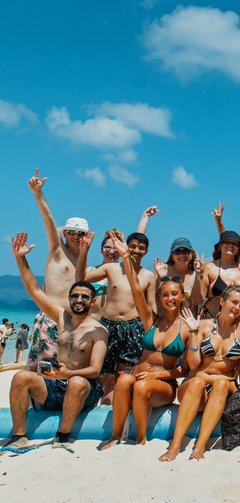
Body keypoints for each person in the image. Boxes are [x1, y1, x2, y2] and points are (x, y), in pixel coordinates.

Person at [4, 233, 107, 449]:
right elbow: (33, 290)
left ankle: (63, 435)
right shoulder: (62, 318)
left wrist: (68, 374)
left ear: (92, 301)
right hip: (56, 385)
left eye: (84, 297)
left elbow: (95, 370)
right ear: (69, 298)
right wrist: (20, 258)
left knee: (77, 382)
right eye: (75, 296)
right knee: (21, 376)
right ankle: (19, 435)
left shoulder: (98, 331)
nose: (79, 300)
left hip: (83, 388)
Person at [101, 231, 194, 449]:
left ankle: (140, 438)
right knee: (122, 380)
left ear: (182, 297)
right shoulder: (151, 320)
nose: (170, 299)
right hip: (137, 375)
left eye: (174, 294)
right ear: (160, 298)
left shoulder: (188, 328)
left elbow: (185, 370)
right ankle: (115, 436)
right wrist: (125, 257)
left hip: (164, 383)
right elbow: (136, 291)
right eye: (165, 295)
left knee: (142, 388)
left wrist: (158, 374)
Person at [159, 284, 240, 461]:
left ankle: (200, 446)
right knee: (196, 382)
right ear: (222, 301)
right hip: (196, 386)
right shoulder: (201, 326)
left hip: (223, 388)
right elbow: (193, 364)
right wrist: (194, 333)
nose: (237, 308)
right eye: (234, 302)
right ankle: (175, 446)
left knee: (222, 383)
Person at [76, 231, 156, 404]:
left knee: (123, 376)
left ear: (146, 251)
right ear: (126, 247)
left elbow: (151, 308)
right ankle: (89, 407)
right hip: (107, 326)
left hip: (134, 329)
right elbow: (81, 278)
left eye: (141, 248)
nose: (136, 250)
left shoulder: (149, 276)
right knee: (101, 373)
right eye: (133, 246)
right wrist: (84, 252)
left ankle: (114, 411)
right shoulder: (112, 268)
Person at [25, 169, 90, 371]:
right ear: (65, 234)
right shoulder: (57, 250)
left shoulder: (84, 260)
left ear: (86, 236)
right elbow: (49, 219)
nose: (75, 236)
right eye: (71, 232)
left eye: (80, 233)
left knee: (62, 371)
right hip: (49, 320)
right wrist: (38, 192)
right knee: (36, 370)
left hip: (71, 324)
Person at [192, 231, 240, 319]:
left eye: (235, 243)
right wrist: (198, 275)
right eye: (227, 242)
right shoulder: (209, 267)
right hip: (212, 320)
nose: (231, 245)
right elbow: (198, 300)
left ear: (239, 249)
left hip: (239, 322)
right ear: (219, 246)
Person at [153, 237, 203, 312]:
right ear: (172, 256)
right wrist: (160, 279)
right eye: (177, 252)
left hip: (186, 321)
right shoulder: (161, 270)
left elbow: (197, 301)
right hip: (164, 321)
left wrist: (198, 274)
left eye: (186, 251)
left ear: (191, 254)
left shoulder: (195, 274)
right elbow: (151, 297)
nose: (182, 255)